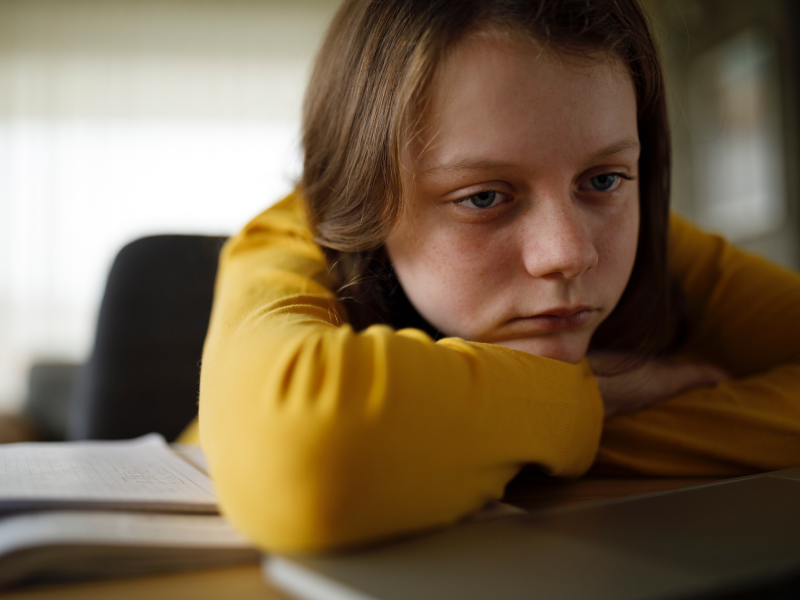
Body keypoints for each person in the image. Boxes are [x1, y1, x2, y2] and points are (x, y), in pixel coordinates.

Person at [180, 0, 800, 553]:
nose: (567, 253)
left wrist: (488, 441)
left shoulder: (659, 246)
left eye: (604, 179)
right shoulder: (292, 239)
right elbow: (309, 456)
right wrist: (589, 396)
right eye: (483, 197)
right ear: (365, 201)